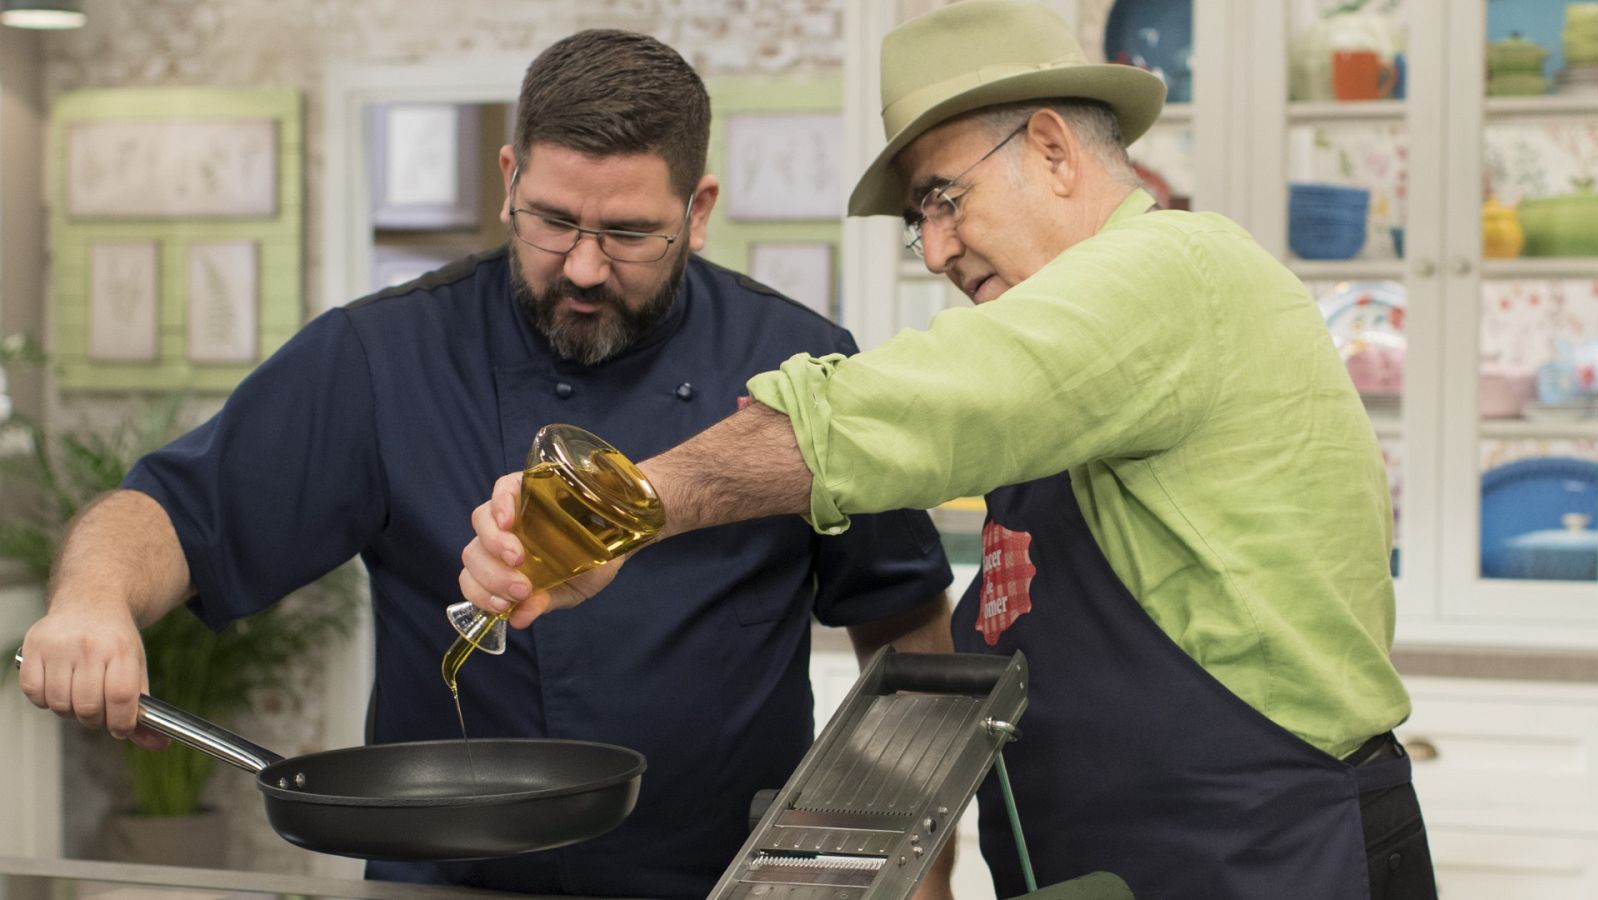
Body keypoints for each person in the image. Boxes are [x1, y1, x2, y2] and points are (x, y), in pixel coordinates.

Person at [459, 3, 1438, 898]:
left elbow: (893, 414)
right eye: (916, 221)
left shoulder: (1173, 272)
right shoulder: (1075, 388)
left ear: (1051, 149)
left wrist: (620, 507)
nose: (932, 249)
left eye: (940, 198)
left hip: (1269, 861)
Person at [17, 29, 957, 899]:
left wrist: (919, 872)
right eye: (551, 221)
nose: (584, 267)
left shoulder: (799, 366)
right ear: (508, 180)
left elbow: (905, 623)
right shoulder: (382, 358)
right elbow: (174, 513)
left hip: (718, 880)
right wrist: (93, 599)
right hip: (443, 883)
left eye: (628, 234)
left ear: (698, 210)